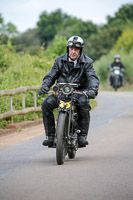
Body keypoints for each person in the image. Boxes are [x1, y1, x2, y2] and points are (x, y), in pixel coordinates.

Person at [38, 36, 99, 147]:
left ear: (80, 50)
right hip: (61, 92)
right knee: (46, 103)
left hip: (78, 92)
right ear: (68, 49)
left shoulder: (87, 62)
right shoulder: (59, 60)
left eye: (76, 49)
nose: (73, 51)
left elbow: (92, 78)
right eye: (71, 48)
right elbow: (51, 76)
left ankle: (82, 136)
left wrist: (92, 90)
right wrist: (45, 86)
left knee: (84, 104)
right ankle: (50, 136)